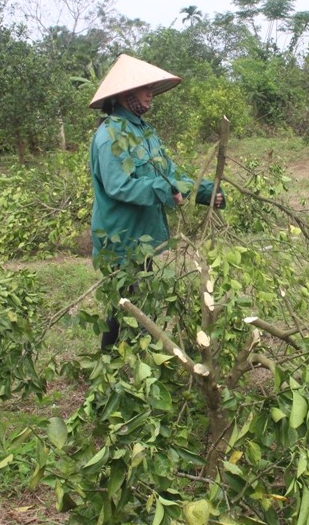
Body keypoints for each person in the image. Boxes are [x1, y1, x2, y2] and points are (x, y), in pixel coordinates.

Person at [88, 54, 224, 350]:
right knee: (124, 304)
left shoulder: (145, 132)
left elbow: (170, 172)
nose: (150, 93)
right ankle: (110, 363)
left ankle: (135, 360)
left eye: (151, 87)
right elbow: (118, 185)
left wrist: (206, 192)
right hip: (119, 237)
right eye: (143, 88)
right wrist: (163, 188)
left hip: (143, 235)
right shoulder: (109, 135)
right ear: (125, 95)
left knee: (139, 301)